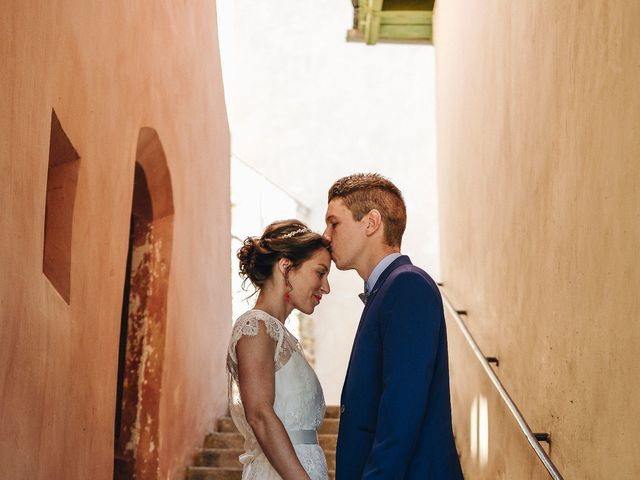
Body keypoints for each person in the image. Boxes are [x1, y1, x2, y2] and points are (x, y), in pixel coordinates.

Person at [323, 174, 463, 479]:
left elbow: (402, 410)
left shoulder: (408, 285)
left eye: (334, 223)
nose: (326, 235)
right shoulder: (385, 291)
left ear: (371, 223)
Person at [227, 219, 332, 480]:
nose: (326, 287)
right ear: (286, 267)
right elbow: (260, 415)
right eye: (320, 273)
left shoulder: (280, 335)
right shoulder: (255, 327)